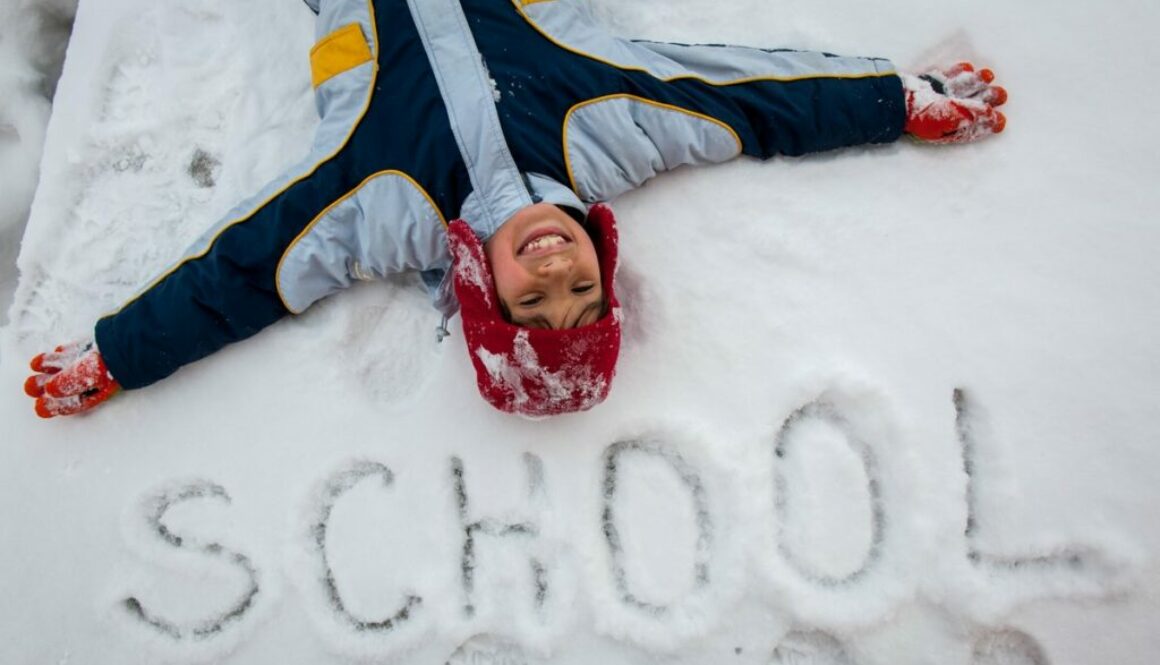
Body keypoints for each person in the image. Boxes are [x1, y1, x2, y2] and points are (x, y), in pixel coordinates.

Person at [23, 0, 1007, 419]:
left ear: (479, 291)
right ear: (596, 251)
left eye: (531, 301)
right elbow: (751, 100)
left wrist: (123, 351)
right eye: (581, 284)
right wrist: (894, 100)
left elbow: (240, 275)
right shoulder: (614, 132)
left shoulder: (378, 209)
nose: (552, 272)